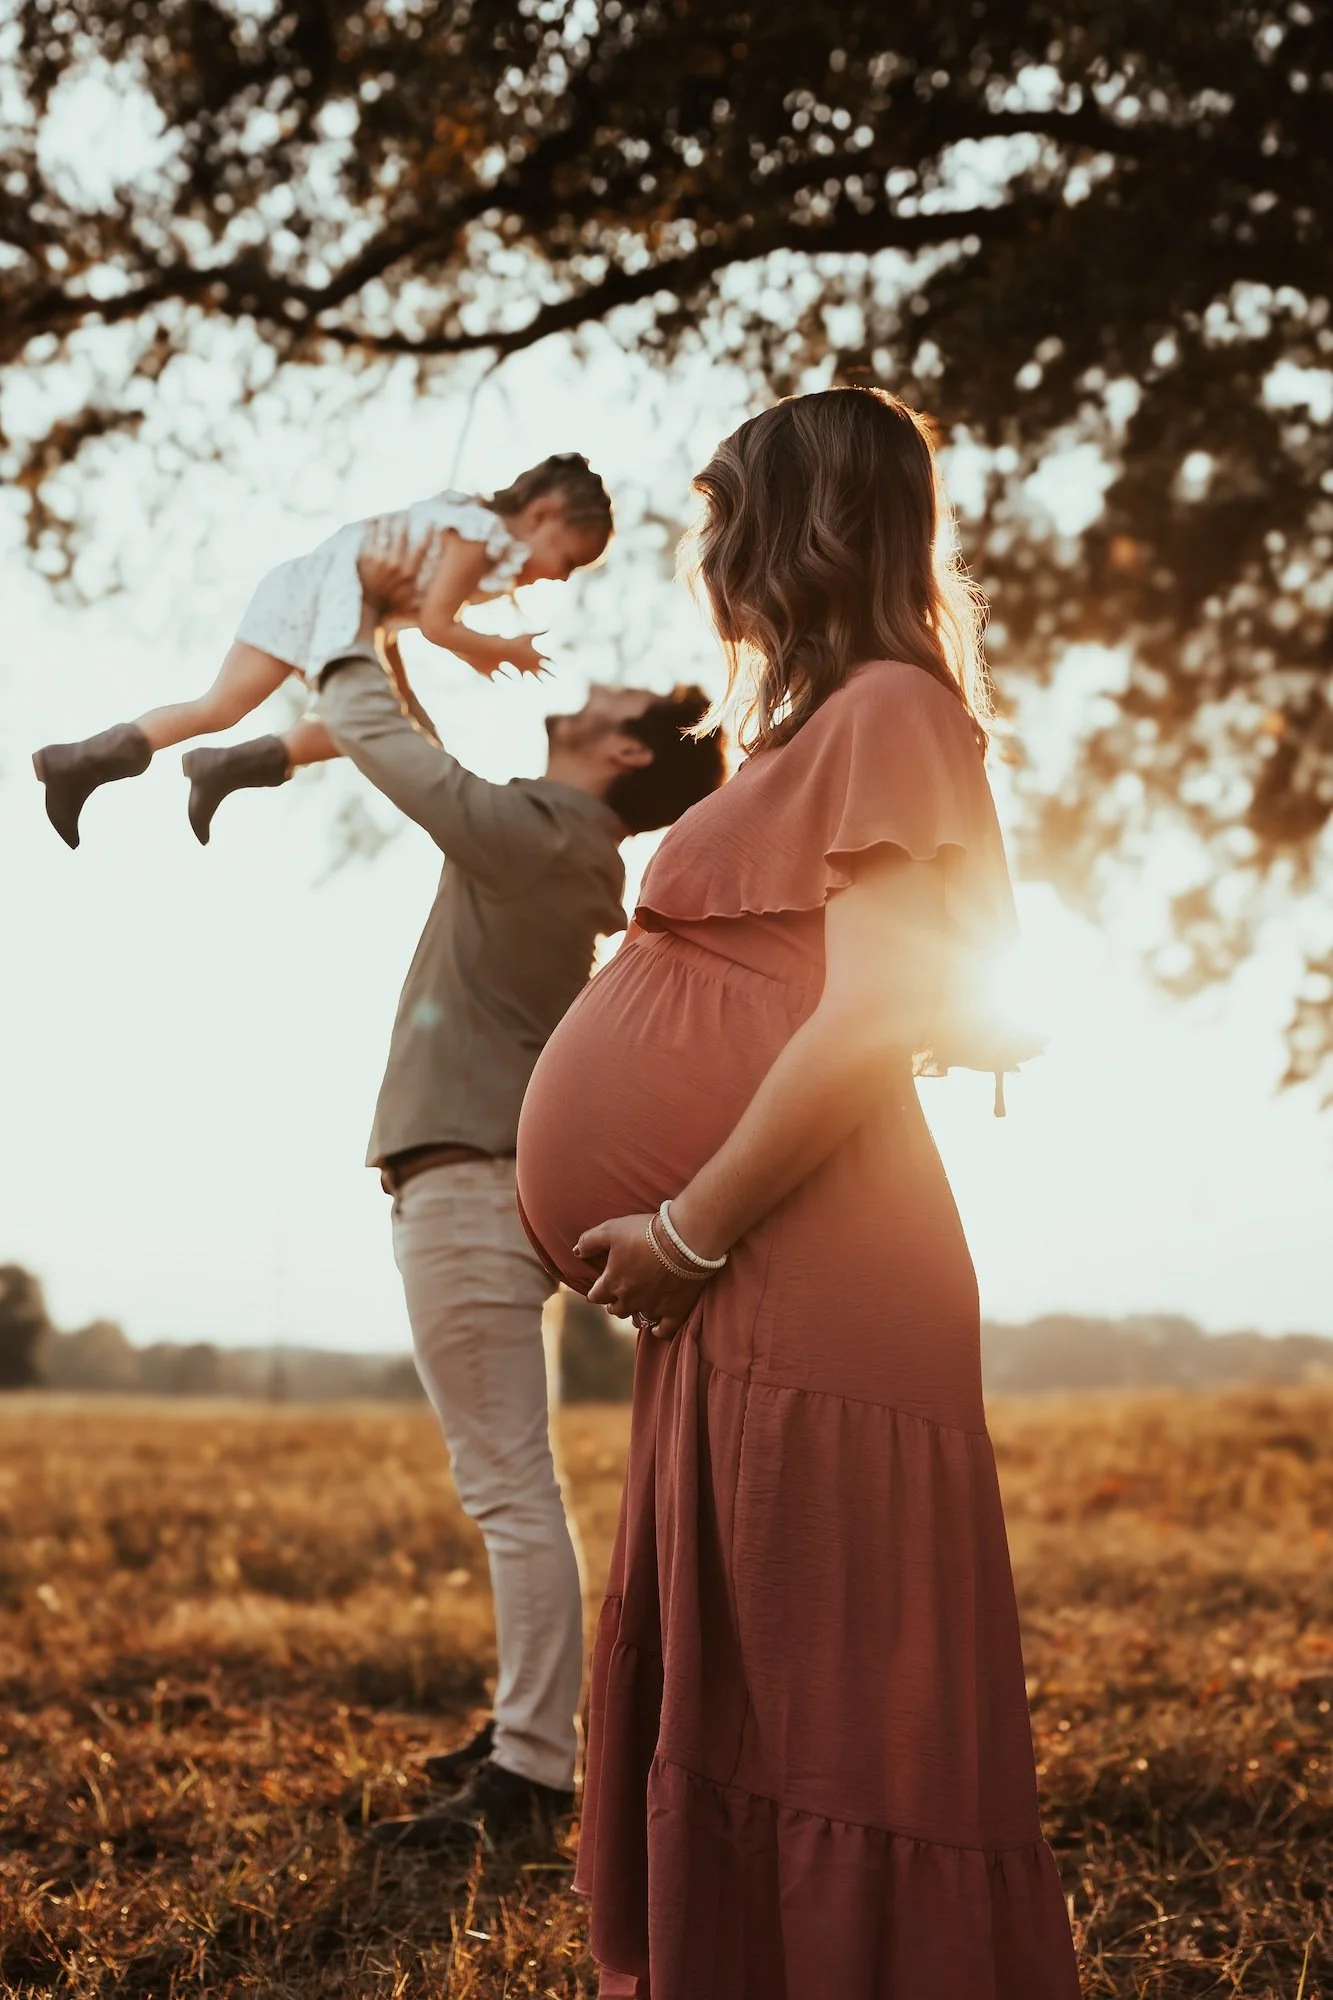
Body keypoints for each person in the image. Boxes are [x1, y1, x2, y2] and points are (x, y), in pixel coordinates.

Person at [514, 388, 1081, 1997]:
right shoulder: (834, 727)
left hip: (792, 1258)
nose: (706, 555)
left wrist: (689, 1227)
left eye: (721, 518)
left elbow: (882, 1008)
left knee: (826, 1714)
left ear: (797, 526)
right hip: (747, 1269)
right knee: (752, 1689)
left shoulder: (895, 706)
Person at [311, 529, 725, 1857]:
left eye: (617, 700)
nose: (594, 685)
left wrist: (334, 621)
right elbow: (425, 746)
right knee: (512, 1479)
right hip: (484, 1184)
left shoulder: (550, 836)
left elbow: (394, 757)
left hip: (472, 1190)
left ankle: (535, 1770)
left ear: (618, 757)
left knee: (506, 1487)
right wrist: (385, 635)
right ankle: (531, 1732)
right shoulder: (550, 840)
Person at [31, 454, 612, 848]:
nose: (561, 578)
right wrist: (492, 650)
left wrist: (421, 694)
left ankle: (81, 762)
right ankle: (218, 766)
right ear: (542, 516)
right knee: (366, 725)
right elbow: (437, 623)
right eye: (567, 558)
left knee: (222, 707)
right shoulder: (477, 535)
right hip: (335, 595)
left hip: (319, 590)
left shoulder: (469, 529)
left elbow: (396, 621)